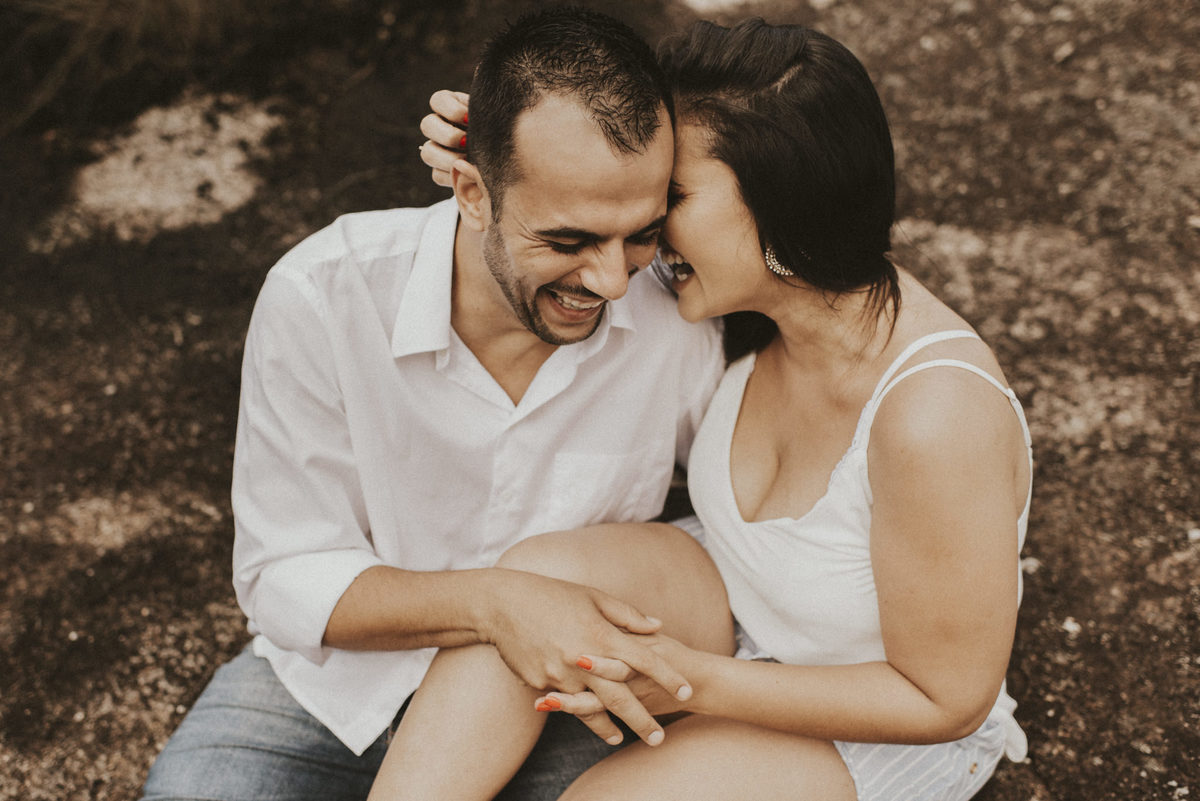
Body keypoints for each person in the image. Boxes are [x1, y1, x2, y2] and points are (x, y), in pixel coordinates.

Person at [383, 17, 1033, 801]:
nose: (643, 232)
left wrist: (694, 680)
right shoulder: (727, 290)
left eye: (673, 196)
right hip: (725, 594)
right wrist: (500, 156)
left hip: (875, 713)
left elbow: (945, 699)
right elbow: (560, 201)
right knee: (532, 595)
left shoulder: (935, 415)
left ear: (781, 203)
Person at [138, 8, 729, 801]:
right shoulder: (324, 295)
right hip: (334, 689)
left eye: (640, 235)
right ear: (472, 191)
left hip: (560, 705)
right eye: (568, 241)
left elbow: (745, 514)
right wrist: (496, 604)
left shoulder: (677, 320)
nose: (613, 281)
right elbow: (283, 570)